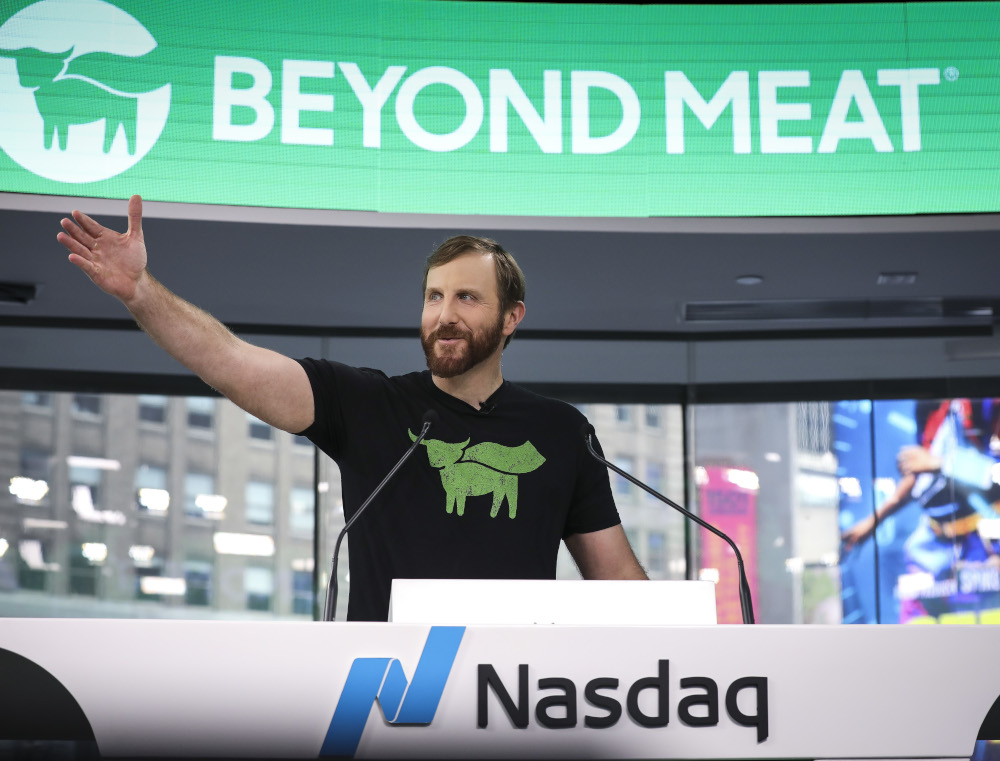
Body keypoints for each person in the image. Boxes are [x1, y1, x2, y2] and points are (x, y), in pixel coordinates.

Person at [57, 195, 647, 620]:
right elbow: (229, 360)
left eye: (467, 297)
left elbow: (617, 577)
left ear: (511, 317)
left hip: (519, 699)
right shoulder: (368, 404)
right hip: (388, 695)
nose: (444, 315)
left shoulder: (560, 431)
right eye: (433, 297)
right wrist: (140, 292)